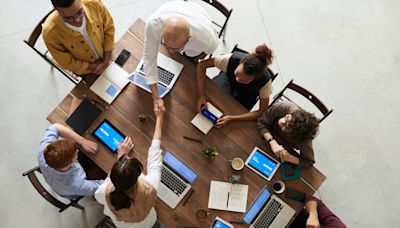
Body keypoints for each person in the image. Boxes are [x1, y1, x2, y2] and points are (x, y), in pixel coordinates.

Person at [143, 0, 219, 114]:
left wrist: (198, 55)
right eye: (165, 44)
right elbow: (149, 58)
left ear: (189, 39)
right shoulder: (153, 25)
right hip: (176, 6)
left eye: (175, 48)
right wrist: (155, 96)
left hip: (198, 16)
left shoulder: (205, 40)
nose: (169, 51)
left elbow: (207, 52)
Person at [95, 109, 165, 227]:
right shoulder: (149, 186)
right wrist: (160, 117)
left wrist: (120, 156)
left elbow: (100, 195)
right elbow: (154, 156)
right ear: (137, 176)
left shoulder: (103, 191)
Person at [196, 44, 274, 128]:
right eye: (237, 73)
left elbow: (262, 110)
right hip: (228, 81)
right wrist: (201, 95)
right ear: (240, 62)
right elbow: (202, 65)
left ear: (255, 78)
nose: (238, 79)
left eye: (245, 81)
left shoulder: (265, 83)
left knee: (232, 115)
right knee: (212, 99)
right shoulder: (230, 59)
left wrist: (232, 118)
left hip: (247, 95)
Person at [43, 0, 115, 75]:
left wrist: (107, 59)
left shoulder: (94, 3)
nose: (77, 20)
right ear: (55, 9)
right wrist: (93, 67)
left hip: (109, 54)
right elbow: (65, 62)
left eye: (79, 12)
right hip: (87, 72)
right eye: (68, 18)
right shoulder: (49, 33)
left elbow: (109, 27)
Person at [37, 123, 104, 199]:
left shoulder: (43, 151)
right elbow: (102, 187)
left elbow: (55, 127)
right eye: (75, 153)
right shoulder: (77, 184)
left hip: (55, 180)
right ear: (70, 163)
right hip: (73, 191)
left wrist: (82, 141)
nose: (77, 151)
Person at [257, 100, 319, 167]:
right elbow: (261, 122)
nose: (281, 122)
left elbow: (309, 162)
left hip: (281, 153)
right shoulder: (284, 106)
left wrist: (289, 158)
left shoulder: (304, 138)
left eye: (286, 128)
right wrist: (272, 142)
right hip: (264, 136)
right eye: (286, 118)